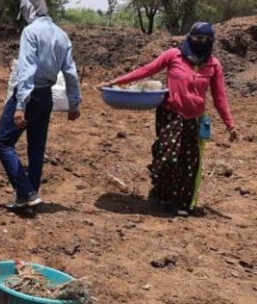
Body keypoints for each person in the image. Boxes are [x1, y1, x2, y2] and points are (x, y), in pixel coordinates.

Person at [98, 22, 237, 217]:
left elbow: (219, 97)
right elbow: (147, 70)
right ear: (190, 37)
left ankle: (180, 202)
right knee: (168, 157)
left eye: (207, 40)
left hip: (194, 119)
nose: (202, 42)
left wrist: (230, 124)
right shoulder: (174, 55)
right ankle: (160, 192)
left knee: (189, 163)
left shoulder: (213, 65)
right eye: (198, 38)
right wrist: (115, 82)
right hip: (171, 114)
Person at [0, 0, 82, 213]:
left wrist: (20, 105)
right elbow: (71, 72)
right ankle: (27, 202)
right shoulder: (61, 35)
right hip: (46, 98)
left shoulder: (30, 32)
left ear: (29, 9)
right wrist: (74, 103)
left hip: (30, 95)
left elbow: (26, 69)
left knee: (4, 143)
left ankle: (26, 192)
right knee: (36, 149)